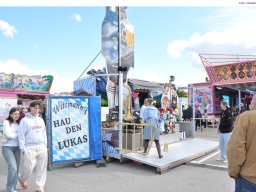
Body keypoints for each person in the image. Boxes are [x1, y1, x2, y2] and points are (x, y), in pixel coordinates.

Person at [227, 94, 256, 192]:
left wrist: (233, 172)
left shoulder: (247, 117)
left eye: (252, 100)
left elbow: (236, 148)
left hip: (249, 180)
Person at [18, 101, 47, 192]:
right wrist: (22, 148)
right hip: (29, 148)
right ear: (30, 108)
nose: (37, 109)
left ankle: (40, 187)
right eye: (35, 107)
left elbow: (44, 133)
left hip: (41, 147)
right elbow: (21, 135)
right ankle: (22, 179)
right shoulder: (24, 120)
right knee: (28, 168)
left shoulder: (41, 120)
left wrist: (45, 145)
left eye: (38, 108)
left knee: (42, 168)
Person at [2, 107, 21, 192]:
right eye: (15, 114)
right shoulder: (6, 122)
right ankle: (9, 189)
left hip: (17, 148)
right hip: (7, 147)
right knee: (13, 167)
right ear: (10, 114)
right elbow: (9, 135)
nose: (17, 115)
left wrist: (15, 134)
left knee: (16, 169)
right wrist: (18, 134)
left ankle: (13, 187)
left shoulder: (19, 123)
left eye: (18, 114)